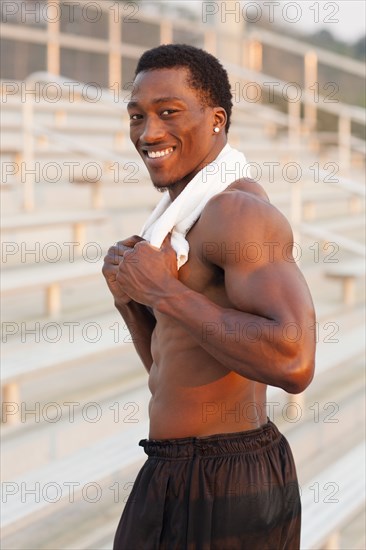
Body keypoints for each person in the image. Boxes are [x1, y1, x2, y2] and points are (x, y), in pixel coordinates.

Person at [103, 44, 316, 550]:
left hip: (223, 479)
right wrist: (131, 301)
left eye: (168, 112)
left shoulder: (236, 213)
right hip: (181, 467)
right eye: (137, 116)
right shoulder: (178, 219)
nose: (148, 132)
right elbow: (172, 369)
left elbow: (295, 360)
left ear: (216, 119)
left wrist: (161, 291)